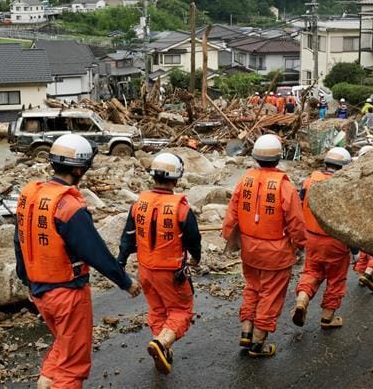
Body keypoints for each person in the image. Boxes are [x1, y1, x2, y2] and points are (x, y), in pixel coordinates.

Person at [14, 134, 141, 389]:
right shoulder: (68, 205)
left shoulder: (30, 194)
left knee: (62, 346)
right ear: (79, 168)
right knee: (73, 366)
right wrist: (125, 281)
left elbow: (19, 241)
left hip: (39, 290)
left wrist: (26, 279)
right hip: (67, 294)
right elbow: (95, 252)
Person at [222, 134, 306, 357]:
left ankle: (246, 331)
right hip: (276, 253)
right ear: (279, 157)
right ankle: (258, 342)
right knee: (271, 294)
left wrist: (231, 240)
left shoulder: (245, 180)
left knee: (252, 288)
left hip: (250, 250)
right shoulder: (285, 187)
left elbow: (232, 214)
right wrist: (300, 244)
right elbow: (296, 222)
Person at [118, 153, 202, 375]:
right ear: (176, 178)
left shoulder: (139, 204)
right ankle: (162, 343)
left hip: (145, 270)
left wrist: (121, 262)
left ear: (153, 176)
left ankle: (161, 346)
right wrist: (196, 258)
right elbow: (194, 239)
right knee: (181, 310)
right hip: (171, 272)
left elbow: (128, 236)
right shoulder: (181, 208)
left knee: (157, 309)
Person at [292, 147, 353, 329]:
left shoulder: (309, 182)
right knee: (336, 279)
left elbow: (299, 206)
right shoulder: (345, 186)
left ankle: (302, 300)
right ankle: (327, 318)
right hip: (336, 241)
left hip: (311, 237)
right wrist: (356, 248)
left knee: (311, 271)